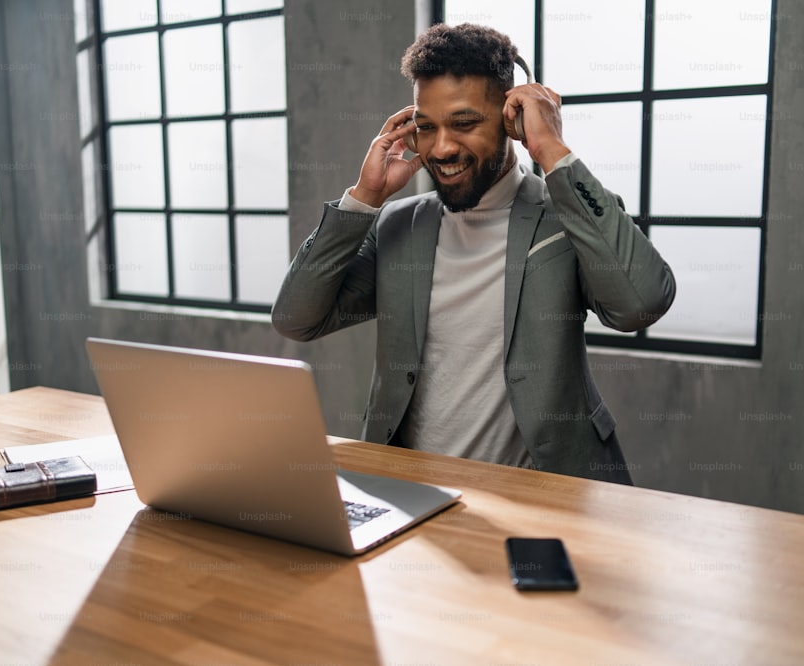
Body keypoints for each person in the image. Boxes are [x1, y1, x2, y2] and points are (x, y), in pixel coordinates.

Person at [272, 23, 675, 484]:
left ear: (510, 118)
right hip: (418, 496)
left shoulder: (568, 216)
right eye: (427, 127)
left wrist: (552, 151)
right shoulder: (397, 226)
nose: (442, 147)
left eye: (464, 124)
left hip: (549, 495)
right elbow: (296, 318)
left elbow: (641, 303)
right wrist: (364, 198)